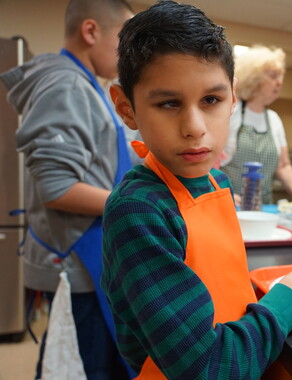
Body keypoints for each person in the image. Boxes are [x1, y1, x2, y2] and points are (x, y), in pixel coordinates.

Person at [103, 2, 292, 379]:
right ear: (126, 108)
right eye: (169, 103)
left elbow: (222, 285)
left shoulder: (218, 182)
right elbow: (209, 367)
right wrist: (290, 292)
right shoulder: (139, 211)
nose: (195, 127)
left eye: (211, 100)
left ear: (232, 97)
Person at [0, 0, 134, 378]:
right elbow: (57, 188)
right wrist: (138, 204)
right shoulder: (67, 84)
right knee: (82, 365)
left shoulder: (88, 85)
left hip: (92, 260)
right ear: (91, 32)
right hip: (78, 264)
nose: (128, 55)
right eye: (123, 42)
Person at [220, 45, 292, 207]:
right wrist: (223, 192)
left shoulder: (273, 119)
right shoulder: (231, 112)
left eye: (280, 76)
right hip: (229, 204)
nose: (280, 82)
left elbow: (283, 165)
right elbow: (210, 161)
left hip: (264, 207)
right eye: (273, 76)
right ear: (253, 78)